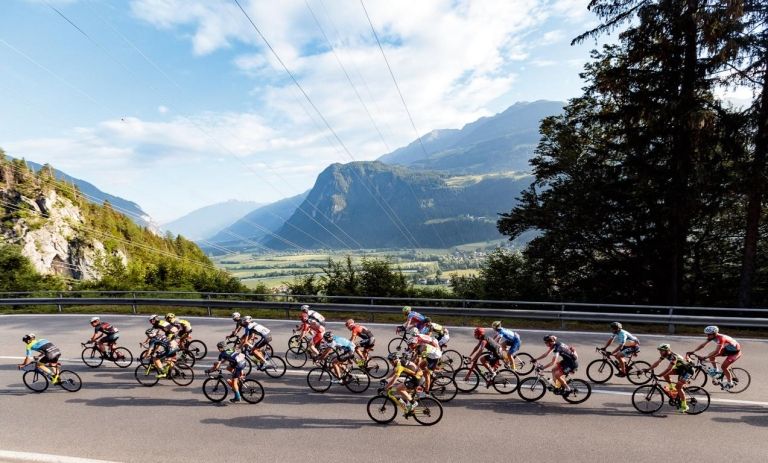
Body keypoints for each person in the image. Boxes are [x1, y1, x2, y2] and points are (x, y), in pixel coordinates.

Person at [647, 343, 693, 413]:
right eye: (660, 351)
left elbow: (669, 369)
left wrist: (659, 375)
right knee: (666, 375)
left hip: (688, 371)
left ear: (667, 350)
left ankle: (684, 406)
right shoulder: (665, 355)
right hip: (680, 369)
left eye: (662, 351)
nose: (660, 352)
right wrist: (648, 369)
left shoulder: (673, 357)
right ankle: (672, 387)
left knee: (679, 387)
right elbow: (657, 363)